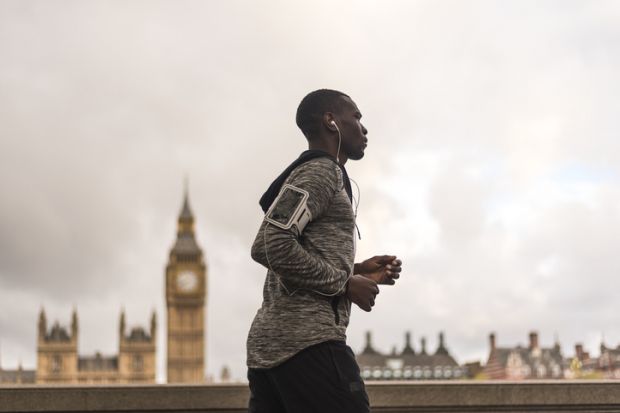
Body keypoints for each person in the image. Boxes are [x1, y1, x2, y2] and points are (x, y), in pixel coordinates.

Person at [247, 89, 403, 413]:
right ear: (331, 121)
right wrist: (345, 285)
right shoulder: (320, 172)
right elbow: (270, 245)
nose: (364, 128)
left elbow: (289, 246)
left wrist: (356, 269)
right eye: (356, 118)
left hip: (274, 350)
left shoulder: (316, 174)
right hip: (308, 345)